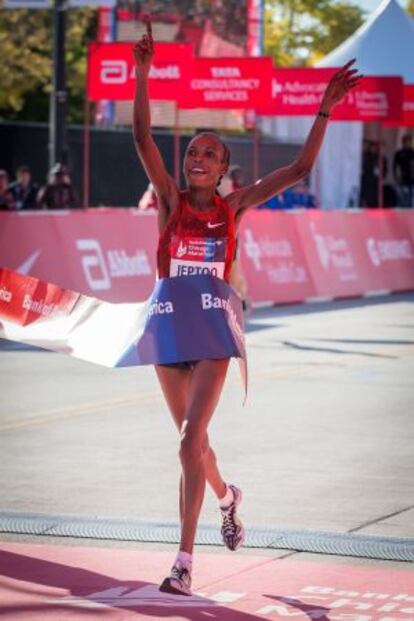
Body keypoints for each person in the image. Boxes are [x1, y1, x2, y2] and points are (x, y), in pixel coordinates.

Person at [133, 16, 361, 597]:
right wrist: (142, 74)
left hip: (211, 332)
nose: (196, 159)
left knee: (188, 441)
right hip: (167, 332)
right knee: (197, 446)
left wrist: (325, 109)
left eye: (209, 153)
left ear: (225, 166)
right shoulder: (168, 201)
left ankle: (184, 563)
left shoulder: (233, 209)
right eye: (191, 152)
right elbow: (141, 140)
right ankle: (229, 497)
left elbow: (302, 169)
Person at [393, 134, 414, 208]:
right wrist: (396, 177)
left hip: (412, 178)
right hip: (403, 178)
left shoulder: (412, 152)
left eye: (409, 141)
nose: (408, 143)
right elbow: (395, 167)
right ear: (403, 142)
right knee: (402, 197)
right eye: (406, 142)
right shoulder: (399, 153)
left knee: (411, 198)